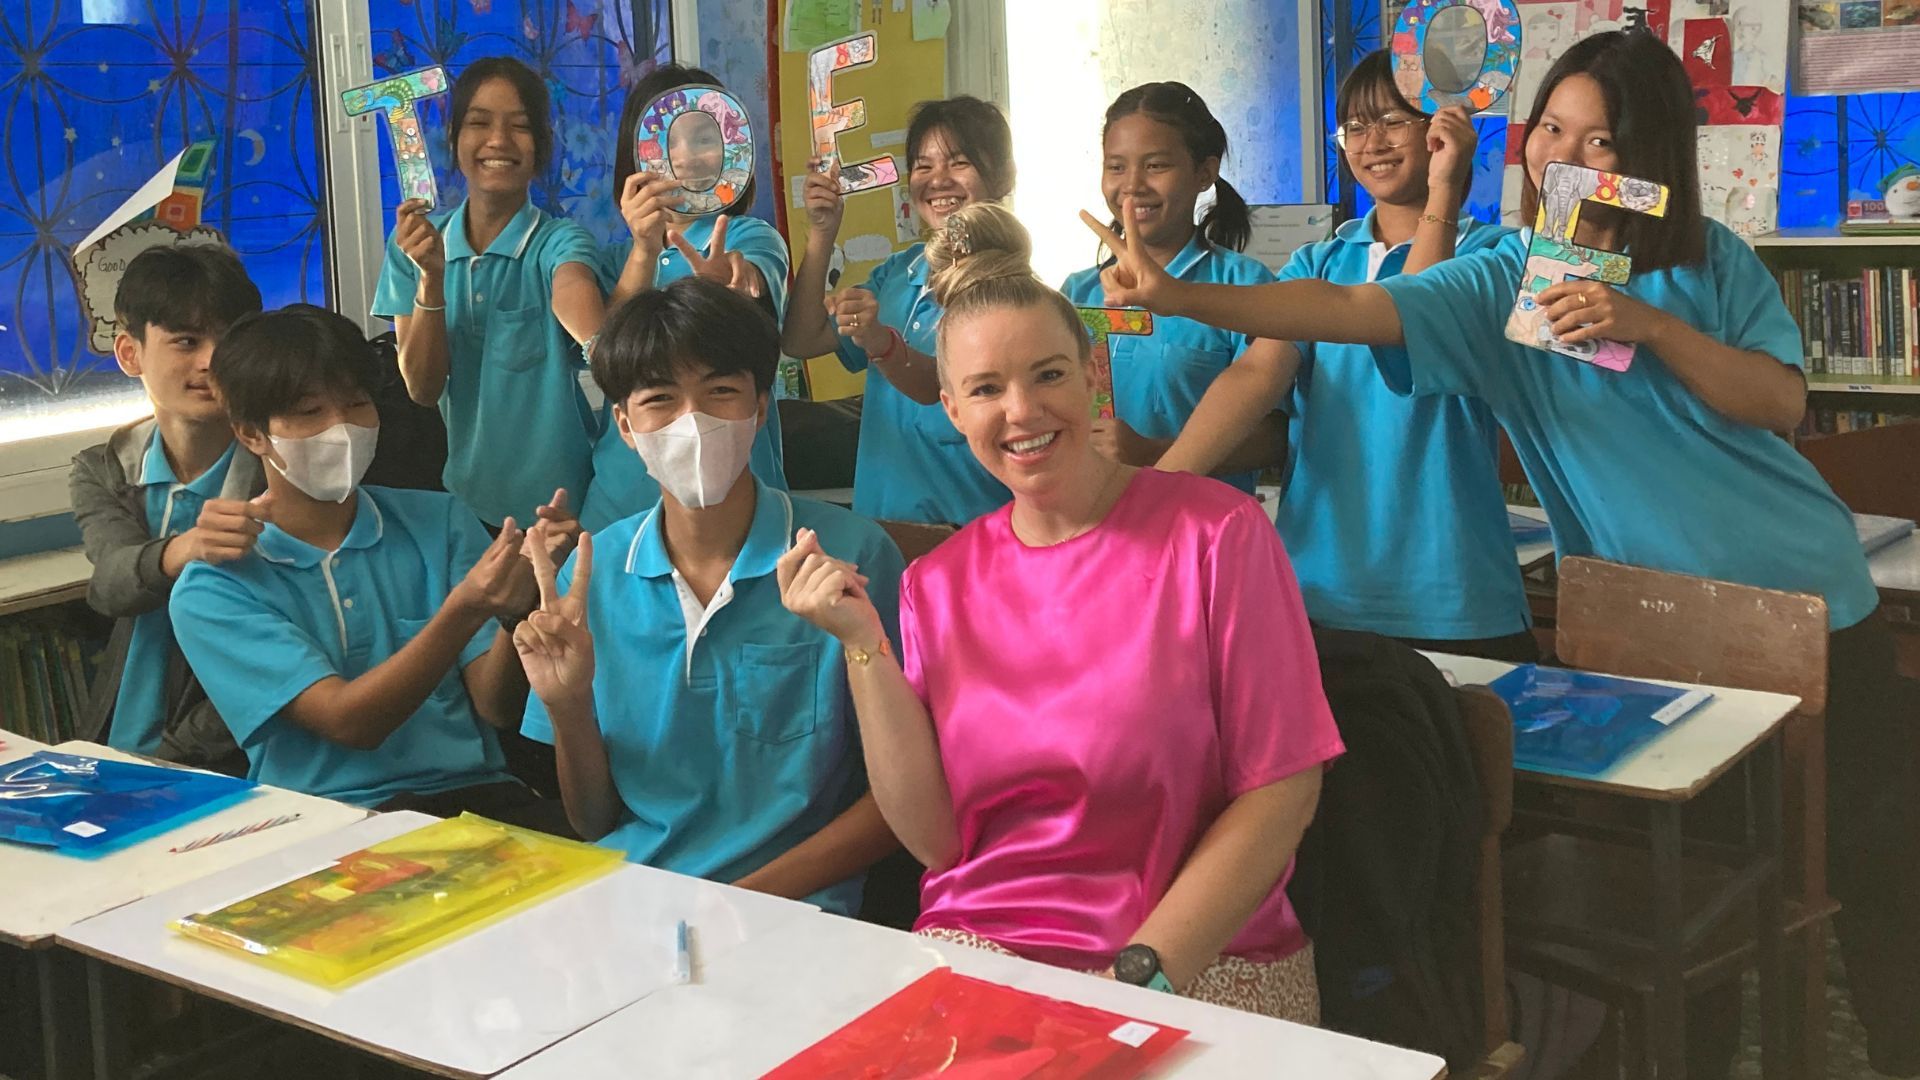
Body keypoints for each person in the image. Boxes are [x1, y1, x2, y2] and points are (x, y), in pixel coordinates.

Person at [1091, 30, 1915, 1071]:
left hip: (1810, 603)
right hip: (1653, 638)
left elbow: (1780, 401)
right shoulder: (1510, 278)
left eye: (1601, 140)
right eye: (1552, 131)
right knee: (1694, 893)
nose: (1567, 158)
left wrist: (1645, 324)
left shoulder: (1716, 262)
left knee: (1874, 877)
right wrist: (1179, 296)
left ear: (1650, 151)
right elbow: (1349, 308)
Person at [780, 202, 1343, 1020]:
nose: (1022, 412)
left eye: (1047, 374)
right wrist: (863, 645)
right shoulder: (936, 583)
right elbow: (938, 842)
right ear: (952, 409)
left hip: (1198, 961)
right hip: (985, 954)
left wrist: (1142, 975)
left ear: (1091, 372)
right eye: (986, 389)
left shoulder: (1215, 534)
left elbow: (1283, 787)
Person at [515, 278, 901, 913]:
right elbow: (593, 820)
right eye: (660, 400)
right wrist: (568, 706)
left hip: (802, 913)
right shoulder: (594, 572)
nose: (691, 422)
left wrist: (738, 905)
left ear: (760, 405)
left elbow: (899, 796)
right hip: (634, 903)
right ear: (625, 426)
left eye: (720, 392)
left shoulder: (850, 557)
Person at [1157, 54, 1533, 659]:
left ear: (1440, 125)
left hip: (1454, 594)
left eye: (1392, 119)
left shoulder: (1492, 258)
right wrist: (1162, 488)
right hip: (1320, 593)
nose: (1372, 142)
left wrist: (1444, 187)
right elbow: (1254, 373)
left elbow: (1414, 313)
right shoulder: (1319, 263)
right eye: (1354, 127)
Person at [171, 306, 566, 833]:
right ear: (251, 434)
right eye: (310, 412)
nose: (342, 428)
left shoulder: (439, 519)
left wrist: (521, 607)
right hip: (323, 822)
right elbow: (349, 722)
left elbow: (494, 706)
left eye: (357, 404)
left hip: (478, 800)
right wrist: (465, 609)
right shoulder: (215, 585)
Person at [373, 56, 603, 534]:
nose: (498, 141)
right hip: (467, 506)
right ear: (454, 137)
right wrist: (430, 279)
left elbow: (573, 284)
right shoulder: (412, 247)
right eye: (479, 123)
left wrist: (602, 345)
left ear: (540, 146)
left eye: (519, 127)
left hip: (566, 510)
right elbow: (422, 387)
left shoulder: (558, 240)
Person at [70, 245, 265, 771]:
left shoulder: (280, 469)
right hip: (120, 741)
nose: (211, 361)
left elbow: (269, 661)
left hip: (229, 755)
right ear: (130, 353)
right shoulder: (107, 467)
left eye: (229, 338)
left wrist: (171, 763)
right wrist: (184, 550)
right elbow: (110, 587)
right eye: (186, 341)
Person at [577, 63, 793, 533]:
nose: (686, 155)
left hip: (739, 498)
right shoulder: (613, 260)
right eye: (667, 142)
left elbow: (750, 281)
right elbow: (606, 355)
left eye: (703, 137)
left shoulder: (749, 234)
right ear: (635, 158)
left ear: (731, 149)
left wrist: (726, 288)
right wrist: (644, 249)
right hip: (622, 498)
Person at [782, 96, 1014, 525]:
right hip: (884, 532)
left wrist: (879, 341)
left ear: (1002, 175)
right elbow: (801, 339)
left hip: (972, 535)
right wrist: (822, 234)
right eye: (923, 167)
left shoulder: (1012, 287)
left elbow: (940, 385)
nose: (938, 180)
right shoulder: (898, 273)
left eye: (958, 162)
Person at [1059, 81, 1286, 494]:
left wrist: (1154, 453)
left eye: (1156, 165)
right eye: (1116, 166)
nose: (1132, 185)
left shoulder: (1245, 288)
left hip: (1205, 535)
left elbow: (1276, 438)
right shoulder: (1076, 292)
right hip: (1100, 531)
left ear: (1205, 172)